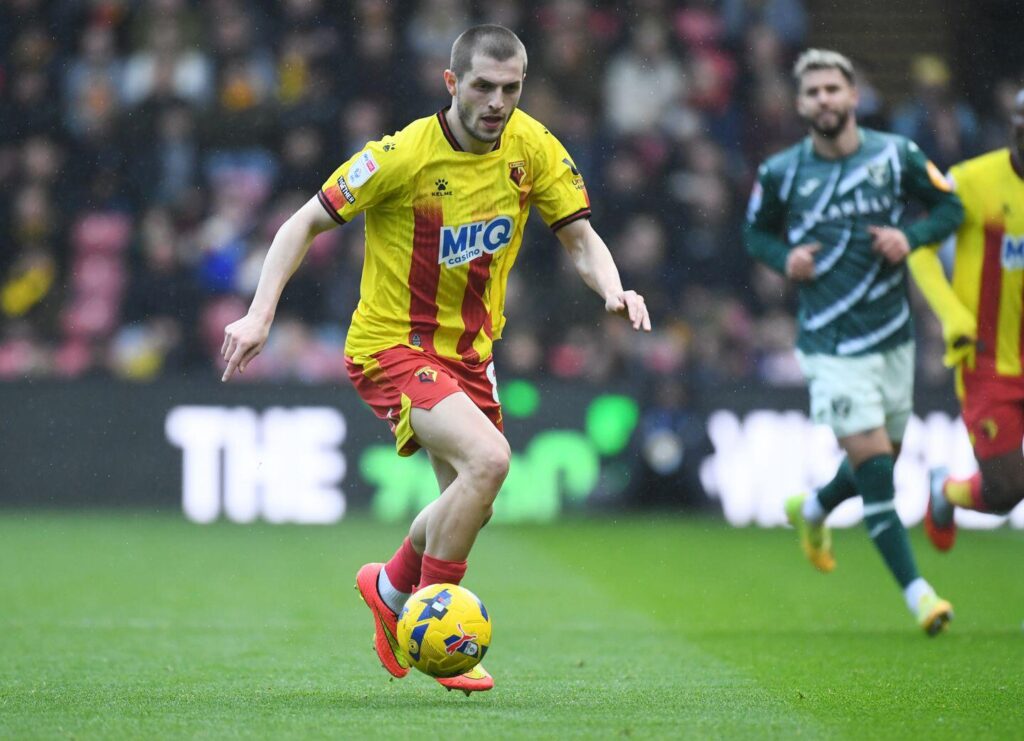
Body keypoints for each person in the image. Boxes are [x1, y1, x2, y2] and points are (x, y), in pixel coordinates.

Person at [219, 24, 651, 694]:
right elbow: (302, 222)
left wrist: (613, 288)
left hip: (470, 355)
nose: (497, 102)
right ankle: (434, 624)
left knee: (468, 500)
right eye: (482, 86)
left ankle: (390, 587)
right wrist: (260, 313)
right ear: (452, 83)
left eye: (510, 88)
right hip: (392, 346)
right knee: (490, 461)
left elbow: (580, 238)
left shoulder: (533, 146)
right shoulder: (400, 156)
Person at [744, 49, 963, 635]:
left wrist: (910, 237)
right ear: (799, 104)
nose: (824, 99)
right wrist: (784, 259)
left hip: (894, 337)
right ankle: (920, 596)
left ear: (853, 96)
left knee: (880, 456)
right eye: (813, 92)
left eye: (832, 89)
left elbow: (950, 206)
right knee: (877, 471)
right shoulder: (781, 172)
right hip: (830, 343)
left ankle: (813, 508)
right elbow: (755, 233)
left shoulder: (897, 155)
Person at [909, 88, 1024, 552]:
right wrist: (954, 316)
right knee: (1006, 491)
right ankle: (947, 491)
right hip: (988, 361)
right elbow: (920, 249)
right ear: (1013, 127)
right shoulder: (970, 181)